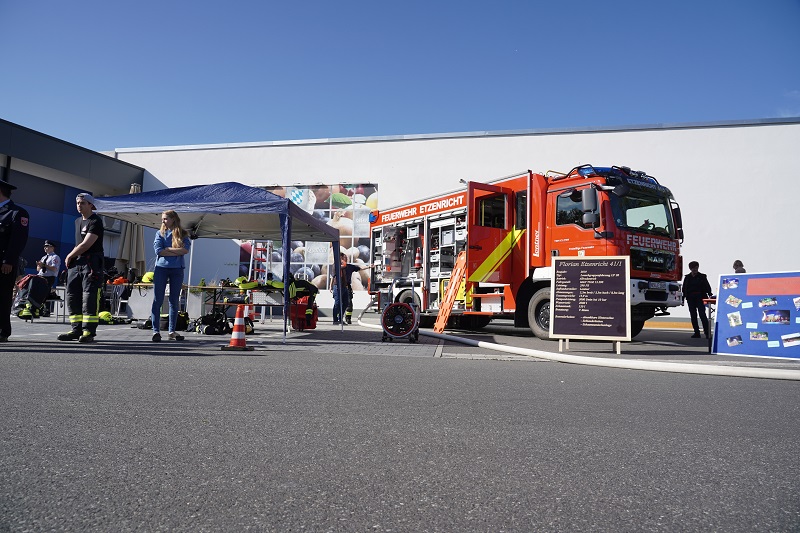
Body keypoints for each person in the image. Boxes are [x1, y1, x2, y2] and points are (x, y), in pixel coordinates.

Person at [58, 193, 104, 342]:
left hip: (91, 263)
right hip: (77, 263)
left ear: (91, 205)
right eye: (78, 203)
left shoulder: (95, 221)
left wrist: (69, 255)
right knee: (72, 295)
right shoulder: (77, 221)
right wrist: (73, 257)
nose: (79, 205)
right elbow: (79, 244)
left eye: (83, 203)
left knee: (89, 297)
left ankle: (88, 332)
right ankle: (76, 329)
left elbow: (86, 244)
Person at [151, 210, 190, 342]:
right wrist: (176, 252)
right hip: (161, 269)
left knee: (174, 301)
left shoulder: (183, 234)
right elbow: (158, 251)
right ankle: (156, 331)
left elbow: (185, 250)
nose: (163, 221)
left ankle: (171, 331)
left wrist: (168, 249)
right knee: (158, 300)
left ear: (173, 219)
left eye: (166, 219)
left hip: (177, 269)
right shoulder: (159, 233)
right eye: (162, 219)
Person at [0, 177, 30, 342]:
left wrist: (9, 261)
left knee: (3, 296)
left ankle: (3, 330)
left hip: (4, 263)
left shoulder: (17, 213)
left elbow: (18, 240)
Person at [332, 252, 370, 325]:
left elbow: (360, 268)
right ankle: (335, 320)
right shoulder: (336, 266)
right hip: (337, 287)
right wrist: (331, 286)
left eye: (346, 257)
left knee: (346, 303)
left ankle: (341, 318)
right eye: (344, 257)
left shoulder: (349, 266)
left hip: (346, 287)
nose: (346, 258)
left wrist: (369, 266)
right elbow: (334, 276)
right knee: (337, 303)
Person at [683, 260, 713, 339]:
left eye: (696, 268)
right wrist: (683, 298)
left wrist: (710, 294)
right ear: (690, 268)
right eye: (693, 268)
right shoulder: (687, 277)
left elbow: (707, 286)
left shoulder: (702, 276)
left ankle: (707, 333)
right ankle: (696, 332)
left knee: (702, 315)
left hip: (700, 297)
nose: (695, 269)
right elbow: (684, 288)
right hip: (690, 298)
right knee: (693, 315)